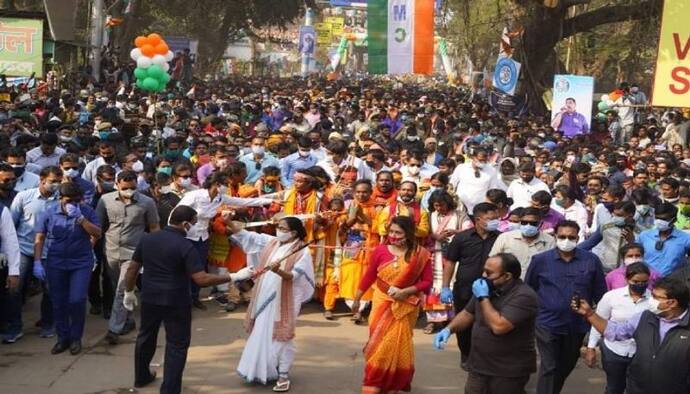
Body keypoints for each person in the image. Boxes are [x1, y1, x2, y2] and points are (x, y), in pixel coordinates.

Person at [123, 205, 255, 393]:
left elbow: (132, 269)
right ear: (185, 224)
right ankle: (169, 390)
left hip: (151, 298)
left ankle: (141, 377)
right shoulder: (185, 245)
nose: (194, 227)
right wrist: (233, 276)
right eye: (193, 223)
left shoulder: (148, 239)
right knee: (176, 345)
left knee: (146, 336)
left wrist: (129, 291)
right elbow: (201, 279)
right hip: (176, 301)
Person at [230, 216, 315, 392]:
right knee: (262, 332)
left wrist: (279, 271)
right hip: (264, 296)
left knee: (282, 336)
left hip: (285, 300)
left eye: (283, 228)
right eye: (279, 227)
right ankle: (264, 369)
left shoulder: (302, 252)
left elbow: (293, 277)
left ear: (294, 232)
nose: (279, 230)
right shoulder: (273, 242)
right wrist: (228, 222)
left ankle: (283, 375)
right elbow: (249, 237)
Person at [434, 253, 538, 394]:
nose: (483, 275)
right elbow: (467, 313)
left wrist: (484, 297)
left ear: (507, 276)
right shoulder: (486, 287)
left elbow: (499, 326)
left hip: (508, 371)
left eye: (488, 273)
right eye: (483, 270)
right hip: (479, 364)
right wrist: (448, 329)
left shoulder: (524, 295)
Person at [351, 216, 432, 394]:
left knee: (394, 344)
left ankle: (391, 382)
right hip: (381, 301)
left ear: (409, 234)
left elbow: (427, 282)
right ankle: (375, 380)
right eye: (392, 231)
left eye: (398, 233)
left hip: (406, 306)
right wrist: (357, 299)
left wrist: (407, 291)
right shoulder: (380, 250)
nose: (394, 236)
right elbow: (369, 276)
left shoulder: (421, 254)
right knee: (378, 344)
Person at [525, 220, 607, 394]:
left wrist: (601, 323)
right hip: (546, 323)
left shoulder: (591, 260)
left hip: (576, 325)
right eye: (562, 236)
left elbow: (600, 293)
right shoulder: (540, 260)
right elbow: (529, 289)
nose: (566, 240)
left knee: (566, 364)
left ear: (578, 238)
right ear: (555, 237)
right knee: (550, 365)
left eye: (571, 237)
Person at [573, 277, 690, 394]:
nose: (651, 300)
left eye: (656, 297)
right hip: (638, 388)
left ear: (672, 303)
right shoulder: (645, 317)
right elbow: (615, 332)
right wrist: (590, 314)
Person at [33, 182, 102, 355]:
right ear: (60, 199)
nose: (73, 203)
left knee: (77, 300)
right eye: (69, 200)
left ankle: (75, 337)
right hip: (56, 261)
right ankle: (62, 338)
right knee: (58, 301)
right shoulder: (49, 212)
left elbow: (97, 233)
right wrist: (37, 262)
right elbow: (39, 238)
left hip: (80, 262)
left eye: (77, 200)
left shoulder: (86, 211)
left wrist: (81, 220)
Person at [98, 170, 160, 345]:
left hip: (133, 253)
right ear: (117, 184)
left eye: (133, 188)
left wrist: (157, 250)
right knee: (120, 287)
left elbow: (154, 227)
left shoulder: (147, 202)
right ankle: (128, 319)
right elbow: (99, 226)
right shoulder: (105, 200)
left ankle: (113, 329)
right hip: (110, 251)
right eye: (125, 188)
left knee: (122, 288)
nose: (129, 191)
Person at [5, 166, 63, 343]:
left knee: (50, 290)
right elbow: (11, 224)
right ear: (42, 180)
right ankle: (15, 327)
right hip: (23, 250)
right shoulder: (24, 197)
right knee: (14, 288)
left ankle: (48, 324)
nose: (56, 185)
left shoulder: (62, 200)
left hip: (49, 253)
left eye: (59, 182)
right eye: (53, 181)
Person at [441, 202, 500, 369]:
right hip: (464, 289)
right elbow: (451, 262)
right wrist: (445, 286)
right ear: (478, 219)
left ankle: (484, 357)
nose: (495, 221)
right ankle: (466, 354)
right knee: (463, 325)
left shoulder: (500, 238)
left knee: (488, 325)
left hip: (491, 290)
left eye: (496, 218)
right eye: (490, 219)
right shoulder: (461, 238)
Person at [584, 262, 652, 394]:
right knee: (614, 387)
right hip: (614, 351)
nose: (640, 285)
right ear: (627, 279)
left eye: (644, 282)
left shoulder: (654, 300)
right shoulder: (612, 297)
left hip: (642, 353)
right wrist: (591, 347)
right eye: (636, 281)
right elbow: (598, 321)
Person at [489, 207, 555, 277]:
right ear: (520, 222)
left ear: (540, 224)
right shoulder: (505, 238)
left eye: (533, 223)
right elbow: (492, 261)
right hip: (509, 283)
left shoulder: (550, 241)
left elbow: (552, 266)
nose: (528, 225)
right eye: (524, 222)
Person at [637, 202, 690, 276]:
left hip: (672, 283)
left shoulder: (686, 239)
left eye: (664, 219)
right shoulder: (644, 236)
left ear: (674, 220)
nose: (659, 221)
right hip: (647, 281)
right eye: (657, 218)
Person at [449, 147, 502, 212]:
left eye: (485, 161)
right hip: (460, 208)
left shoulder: (492, 171)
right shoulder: (461, 168)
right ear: (473, 157)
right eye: (480, 160)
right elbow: (451, 186)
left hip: (479, 209)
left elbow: (492, 190)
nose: (483, 163)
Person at [0, 198, 21, 343]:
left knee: (7, 299)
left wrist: (14, 271)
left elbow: (10, 240)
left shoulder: (1, 210)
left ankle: (13, 327)